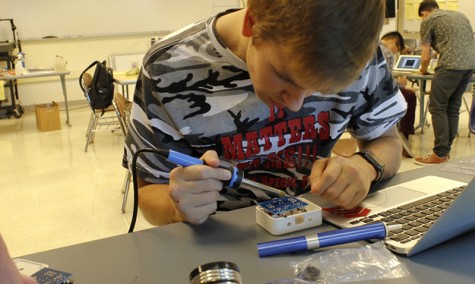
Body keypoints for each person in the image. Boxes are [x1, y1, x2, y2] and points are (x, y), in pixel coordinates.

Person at [123, 0, 407, 226]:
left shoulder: (360, 54)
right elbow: (147, 191)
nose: (295, 104)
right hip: (218, 241)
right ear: (252, 23)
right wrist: (176, 207)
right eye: (286, 77)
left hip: (317, 230)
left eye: (319, 90)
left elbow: (389, 142)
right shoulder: (167, 68)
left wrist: (365, 166)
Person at [414, 0, 475, 165]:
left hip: (449, 66)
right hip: (469, 66)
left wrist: (422, 70)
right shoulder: (460, 15)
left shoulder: (428, 20)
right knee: (453, 107)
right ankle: (445, 151)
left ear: (424, 13)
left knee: (437, 107)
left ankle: (439, 154)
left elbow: (425, 56)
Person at [381, 31, 417, 157]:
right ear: (395, 42)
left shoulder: (370, 46)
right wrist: (402, 84)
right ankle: (405, 135)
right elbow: (387, 82)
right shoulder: (387, 52)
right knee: (410, 95)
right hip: (380, 94)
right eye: (398, 49)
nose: (396, 53)